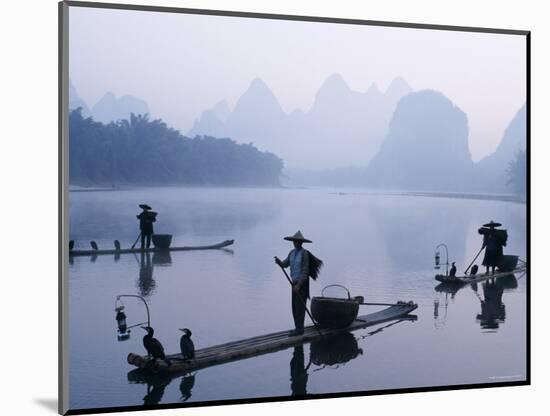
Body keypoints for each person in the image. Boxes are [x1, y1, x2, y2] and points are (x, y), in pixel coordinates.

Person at [274, 230, 322, 336]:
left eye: (296, 241)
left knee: (300, 307)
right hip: (294, 283)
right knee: (294, 307)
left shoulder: (304, 254)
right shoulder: (292, 253)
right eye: (294, 241)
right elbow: (285, 264)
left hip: (302, 284)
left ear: (300, 242)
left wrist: (299, 285)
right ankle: (297, 328)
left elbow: (305, 272)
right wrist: (279, 262)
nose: (295, 243)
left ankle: (300, 329)